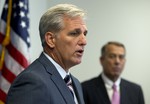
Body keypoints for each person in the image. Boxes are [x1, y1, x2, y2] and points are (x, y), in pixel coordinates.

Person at [6, 3, 88, 104]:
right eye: (74, 33)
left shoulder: (75, 83)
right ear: (51, 39)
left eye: (84, 34)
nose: (84, 41)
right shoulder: (32, 81)